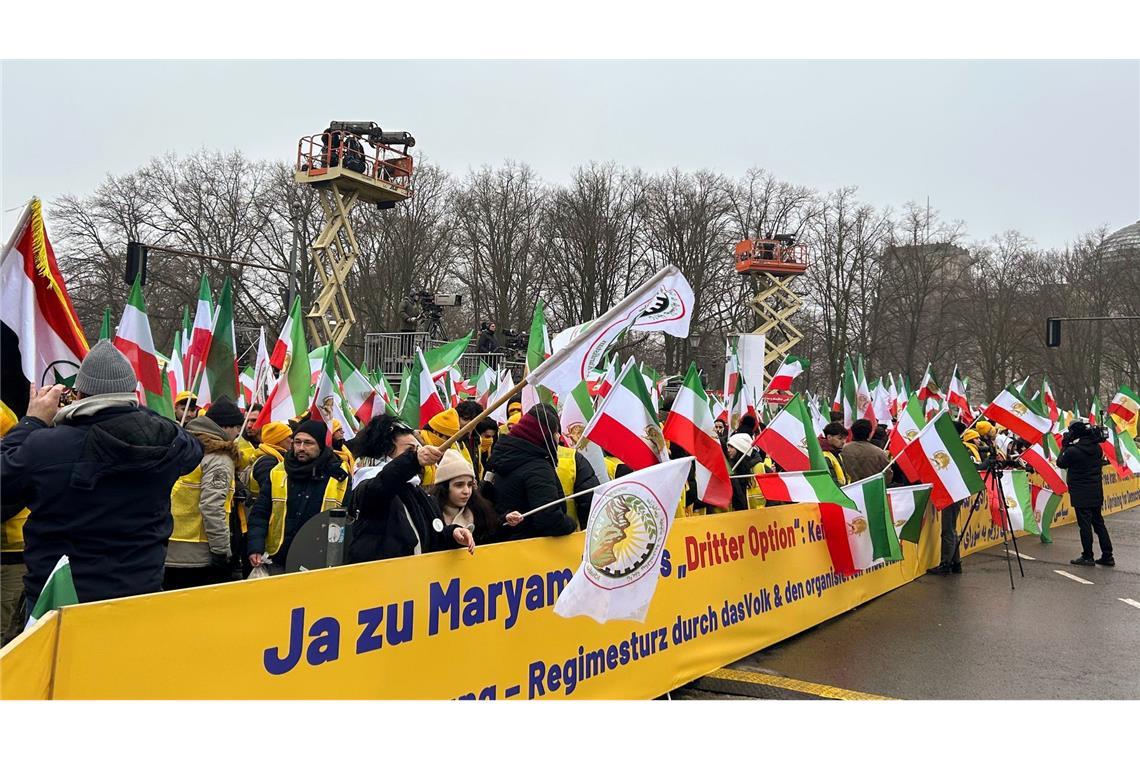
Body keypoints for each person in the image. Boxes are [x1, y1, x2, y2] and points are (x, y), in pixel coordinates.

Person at [1, 340, 203, 616]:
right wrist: (130, 408)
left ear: (79, 392)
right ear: (133, 394)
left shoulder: (46, 445)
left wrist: (32, 422)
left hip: (60, 599)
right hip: (138, 595)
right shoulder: (168, 441)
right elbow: (191, 448)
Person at [345, 415, 476, 562]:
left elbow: (429, 535)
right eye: (409, 451)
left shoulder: (416, 490)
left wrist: (452, 534)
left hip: (416, 577)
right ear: (385, 453)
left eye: (417, 450)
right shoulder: (368, 487)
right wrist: (413, 460)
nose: (416, 454)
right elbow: (383, 484)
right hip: (384, 578)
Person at [246, 419, 351, 572]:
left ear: (321, 445)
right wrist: (255, 546)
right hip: (278, 558)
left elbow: (345, 521)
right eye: (297, 442)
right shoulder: (278, 472)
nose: (301, 448)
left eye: (308, 443)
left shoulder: (339, 475)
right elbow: (260, 513)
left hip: (318, 561)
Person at [165, 398, 243, 589]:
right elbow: (212, 507)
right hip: (198, 553)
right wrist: (222, 551)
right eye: (237, 429)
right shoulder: (219, 457)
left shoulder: (181, 446)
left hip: (166, 545)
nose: (237, 435)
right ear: (227, 428)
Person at [485, 404, 577, 540]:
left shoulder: (503, 457)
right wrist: (571, 524)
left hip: (504, 544)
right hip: (534, 549)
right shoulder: (538, 468)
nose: (558, 437)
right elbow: (549, 519)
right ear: (542, 435)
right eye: (555, 432)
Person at [1058, 420, 1113, 567]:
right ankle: (1108, 555)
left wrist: (1064, 446)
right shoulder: (1097, 449)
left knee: (1085, 526)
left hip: (1080, 492)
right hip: (1095, 490)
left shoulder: (1073, 451)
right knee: (1099, 523)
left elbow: (1060, 463)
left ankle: (1087, 556)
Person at [930, 420, 975, 576]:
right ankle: (956, 562)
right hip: (957, 491)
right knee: (952, 529)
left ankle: (946, 564)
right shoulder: (960, 448)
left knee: (948, 529)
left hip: (952, 492)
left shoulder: (953, 449)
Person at [430, 449, 501, 544]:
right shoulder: (429, 515)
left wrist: (505, 520)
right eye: (459, 485)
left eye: (470, 485)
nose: (466, 491)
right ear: (444, 487)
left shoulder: (481, 513)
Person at [555, 443, 601, 529]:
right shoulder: (572, 457)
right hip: (573, 536)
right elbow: (591, 504)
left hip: (526, 540)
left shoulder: (572, 458)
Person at [841, 419, 893, 484]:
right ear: (870, 433)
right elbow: (887, 476)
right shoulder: (879, 453)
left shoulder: (843, 449)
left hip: (849, 489)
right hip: (872, 489)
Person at [726, 433, 767, 510]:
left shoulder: (760, 467)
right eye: (728, 446)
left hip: (759, 516)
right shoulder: (731, 468)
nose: (728, 450)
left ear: (741, 449)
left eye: (731, 447)